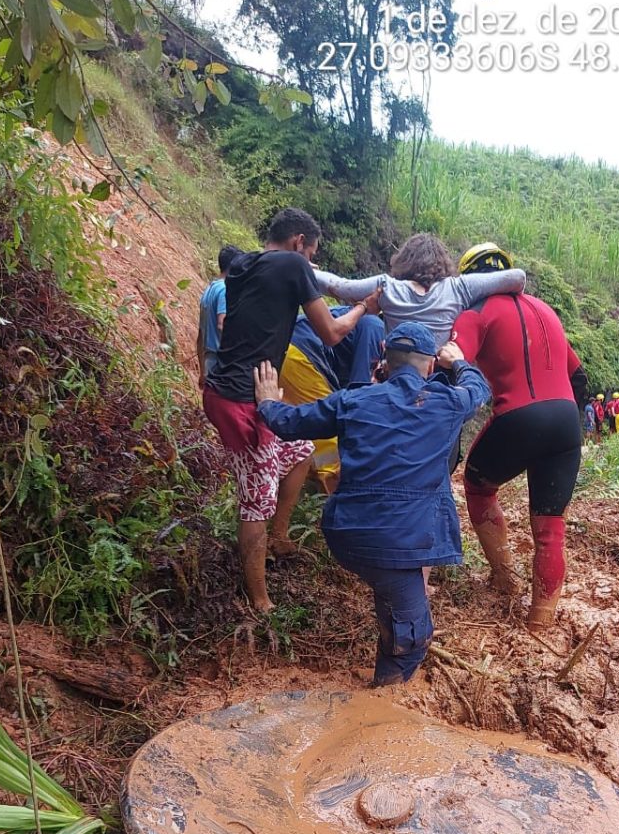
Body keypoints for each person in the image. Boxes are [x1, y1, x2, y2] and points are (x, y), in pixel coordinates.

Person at [253, 322, 491, 685]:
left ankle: (390, 642)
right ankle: (383, 708)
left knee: (393, 592)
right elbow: (478, 388)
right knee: (411, 641)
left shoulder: (351, 400)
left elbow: (288, 423)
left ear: (385, 362)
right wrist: (458, 361)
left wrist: (268, 401)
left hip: (347, 534)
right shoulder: (447, 403)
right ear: (429, 366)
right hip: (402, 540)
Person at [203, 208, 381, 613]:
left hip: (230, 389)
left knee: (300, 450)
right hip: (241, 399)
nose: (309, 261)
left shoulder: (242, 265)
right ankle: (260, 601)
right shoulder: (291, 265)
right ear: (300, 242)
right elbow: (332, 333)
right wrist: (364, 307)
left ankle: (279, 536)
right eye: (310, 252)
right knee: (256, 497)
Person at [451, 243, 588, 629]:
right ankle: (541, 622)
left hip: (516, 417)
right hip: (565, 422)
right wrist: (566, 425)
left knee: (477, 487)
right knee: (550, 528)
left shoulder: (475, 311)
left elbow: (453, 364)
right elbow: (578, 376)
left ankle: (504, 578)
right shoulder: (546, 309)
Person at [312, 234, 526, 347]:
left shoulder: (387, 286)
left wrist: (299, 266)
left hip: (393, 376)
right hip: (437, 383)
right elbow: (518, 277)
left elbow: (339, 287)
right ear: (443, 262)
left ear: (405, 260)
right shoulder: (459, 288)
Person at [279, 307, 385, 491]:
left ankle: (304, 484)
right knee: (328, 434)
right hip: (300, 355)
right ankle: (334, 496)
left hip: (284, 350)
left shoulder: (356, 319)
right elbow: (359, 389)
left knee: (303, 430)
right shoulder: (374, 326)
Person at [197, 244, 243, 387]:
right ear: (234, 265)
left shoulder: (210, 289)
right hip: (220, 363)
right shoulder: (224, 289)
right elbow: (222, 324)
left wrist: (202, 370)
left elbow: (200, 336)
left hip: (209, 360)